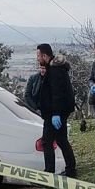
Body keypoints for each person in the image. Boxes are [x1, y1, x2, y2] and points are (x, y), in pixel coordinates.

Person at [36, 44, 77, 178]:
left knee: (47, 142)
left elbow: (57, 93)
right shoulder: (52, 69)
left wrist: (56, 113)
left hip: (54, 113)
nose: (37, 59)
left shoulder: (55, 71)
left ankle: (49, 172)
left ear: (45, 56)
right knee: (61, 140)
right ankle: (71, 169)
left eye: (38, 56)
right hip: (54, 112)